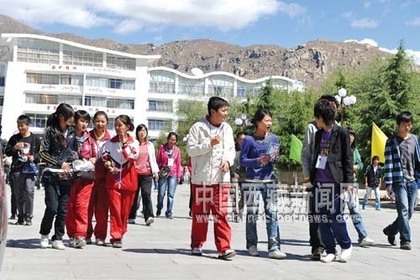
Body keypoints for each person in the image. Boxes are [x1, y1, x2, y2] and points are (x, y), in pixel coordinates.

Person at [187, 96, 236, 260]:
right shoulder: (198, 128)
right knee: (200, 214)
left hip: (221, 180)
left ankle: (224, 248)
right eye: (223, 111)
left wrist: (228, 161)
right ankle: (196, 244)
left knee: (221, 213)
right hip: (202, 179)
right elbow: (191, 150)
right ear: (213, 111)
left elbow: (231, 149)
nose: (225, 114)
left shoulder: (227, 128)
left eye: (226, 111)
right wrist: (209, 143)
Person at [310, 99, 353, 263]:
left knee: (336, 216)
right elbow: (316, 156)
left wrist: (348, 182)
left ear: (322, 117)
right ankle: (330, 249)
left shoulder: (341, 132)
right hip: (320, 181)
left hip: (335, 182)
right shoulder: (318, 133)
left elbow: (347, 158)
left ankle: (346, 245)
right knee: (322, 219)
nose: (315, 120)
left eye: (317, 117)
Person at [239, 108, 286, 259]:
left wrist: (274, 158)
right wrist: (257, 161)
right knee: (252, 213)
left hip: (269, 180)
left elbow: (274, 157)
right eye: (266, 120)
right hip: (252, 181)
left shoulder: (274, 139)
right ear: (258, 122)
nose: (269, 123)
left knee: (272, 213)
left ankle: (274, 247)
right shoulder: (248, 140)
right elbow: (242, 160)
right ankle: (252, 244)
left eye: (271, 120)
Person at [301, 94, 337, 260]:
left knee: (331, 213)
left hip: (333, 178)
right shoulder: (312, 128)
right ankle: (317, 246)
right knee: (315, 213)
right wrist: (307, 176)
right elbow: (306, 153)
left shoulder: (338, 128)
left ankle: (330, 245)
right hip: (316, 177)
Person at [39, 103, 79, 250]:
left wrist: (79, 161)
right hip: (51, 174)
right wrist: (58, 163)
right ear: (61, 116)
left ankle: (58, 238)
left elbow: (74, 151)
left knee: (63, 209)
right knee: (52, 207)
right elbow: (42, 153)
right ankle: (44, 234)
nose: (72, 119)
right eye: (70, 116)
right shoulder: (50, 131)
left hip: (67, 175)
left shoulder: (73, 132)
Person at [383, 111, 420, 250]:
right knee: (403, 210)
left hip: (412, 181)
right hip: (399, 181)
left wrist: (418, 179)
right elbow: (388, 163)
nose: (407, 127)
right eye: (405, 124)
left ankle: (391, 230)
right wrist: (389, 183)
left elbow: (418, 160)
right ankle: (405, 240)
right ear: (399, 125)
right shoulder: (391, 141)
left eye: (409, 124)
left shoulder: (414, 139)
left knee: (409, 212)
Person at [102, 115, 139, 248]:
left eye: (121, 125)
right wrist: (108, 165)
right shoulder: (109, 142)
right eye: (116, 125)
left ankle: (121, 231)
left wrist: (124, 143)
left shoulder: (134, 143)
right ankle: (116, 235)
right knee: (115, 209)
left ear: (127, 127)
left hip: (129, 180)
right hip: (113, 180)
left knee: (124, 211)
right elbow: (104, 157)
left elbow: (131, 157)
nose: (118, 128)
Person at [66, 110, 96, 248]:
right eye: (81, 121)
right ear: (75, 121)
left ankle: (80, 235)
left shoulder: (90, 140)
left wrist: (89, 161)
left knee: (82, 207)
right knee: (70, 207)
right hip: (70, 177)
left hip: (86, 177)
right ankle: (72, 234)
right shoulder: (67, 137)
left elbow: (96, 157)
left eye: (86, 122)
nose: (84, 124)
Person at [5, 115, 41, 226]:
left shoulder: (35, 139)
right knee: (18, 194)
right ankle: (20, 216)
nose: (20, 128)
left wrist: (33, 157)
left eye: (22, 125)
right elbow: (7, 152)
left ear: (28, 125)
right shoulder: (14, 138)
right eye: (19, 125)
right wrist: (14, 148)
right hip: (17, 169)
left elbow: (40, 154)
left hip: (29, 169)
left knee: (29, 192)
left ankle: (28, 216)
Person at [87, 111, 112, 246]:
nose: (100, 124)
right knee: (87, 208)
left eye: (102, 121)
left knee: (102, 209)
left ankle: (100, 236)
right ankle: (86, 234)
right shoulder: (87, 136)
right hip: (88, 177)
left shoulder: (111, 138)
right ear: (93, 122)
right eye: (97, 121)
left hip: (104, 178)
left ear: (107, 123)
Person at [347, 128, 375, 247]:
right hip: (339, 184)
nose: (351, 138)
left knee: (355, 210)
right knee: (337, 212)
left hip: (352, 184)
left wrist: (355, 167)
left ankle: (362, 235)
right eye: (349, 135)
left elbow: (360, 165)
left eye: (353, 136)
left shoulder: (355, 151)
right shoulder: (337, 149)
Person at [129, 124, 159, 225]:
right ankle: (131, 216)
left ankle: (149, 216)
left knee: (146, 194)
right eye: (140, 131)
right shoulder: (133, 143)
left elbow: (153, 159)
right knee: (134, 195)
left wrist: (155, 172)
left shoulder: (150, 145)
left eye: (144, 131)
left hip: (146, 173)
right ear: (137, 133)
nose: (142, 133)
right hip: (134, 173)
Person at [156, 132, 183, 219]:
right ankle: (159, 206)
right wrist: (157, 171)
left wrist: (179, 175)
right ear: (168, 139)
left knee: (171, 194)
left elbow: (178, 163)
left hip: (173, 174)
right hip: (163, 173)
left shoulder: (177, 150)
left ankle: (169, 211)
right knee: (161, 193)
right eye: (171, 139)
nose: (172, 141)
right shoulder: (162, 148)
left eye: (174, 140)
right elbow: (158, 160)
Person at [230, 132, 246, 222]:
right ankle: (236, 213)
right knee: (234, 195)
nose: (243, 142)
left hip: (245, 175)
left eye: (244, 140)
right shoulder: (232, 149)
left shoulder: (248, 150)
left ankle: (239, 209)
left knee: (245, 196)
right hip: (234, 174)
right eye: (241, 139)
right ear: (237, 140)